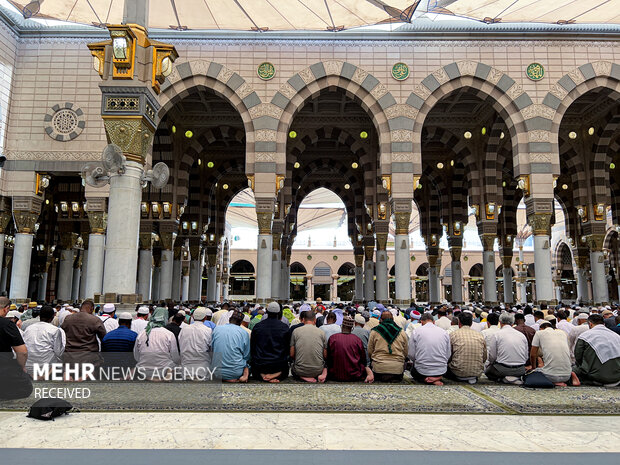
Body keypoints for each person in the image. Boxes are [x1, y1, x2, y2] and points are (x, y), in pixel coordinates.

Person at [134, 307, 181, 380]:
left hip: (143, 370)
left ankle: (149, 378)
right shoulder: (169, 334)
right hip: (162, 371)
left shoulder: (142, 333)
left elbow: (136, 356)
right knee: (176, 364)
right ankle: (166, 376)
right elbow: (175, 357)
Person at [573, 314, 620, 386]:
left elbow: (578, 358)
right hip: (617, 376)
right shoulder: (616, 335)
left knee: (573, 370)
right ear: (603, 324)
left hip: (598, 377)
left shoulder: (585, 336)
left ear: (590, 324)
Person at [0, 296, 32, 399]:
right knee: (26, 386)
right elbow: (22, 352)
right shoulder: (6, 324)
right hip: (3, 368)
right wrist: (21, 367)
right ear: (6, 308)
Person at [250, 302, 290, 382]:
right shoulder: (284, 327)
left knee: (255, 368)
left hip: (260, 365)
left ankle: (263, 375)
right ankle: (274, 375)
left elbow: (252, 347)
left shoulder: (258, 327)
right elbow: (287, 348)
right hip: (278, 365)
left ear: (267, 312)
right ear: (279, 313)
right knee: (285, 369)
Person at [530, 318, 577, 386]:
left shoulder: (539, 333)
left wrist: (533, 368)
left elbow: (533, 354)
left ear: (541, 328)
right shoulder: (563, 333)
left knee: (533, 374)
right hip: (567, 375)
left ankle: (555, 382)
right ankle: (572, 377)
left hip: (550, 376)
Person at [486, 312, 529, 384]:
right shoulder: (521, 335)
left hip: (502, 370)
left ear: (500, 322)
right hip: (520, 370)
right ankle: (514, 377)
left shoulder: (497, 335)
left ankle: (503, 378)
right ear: (512, 323)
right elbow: (525, 356)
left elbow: (492, 357)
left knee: (488, 371)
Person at [408, 312, 451, 385]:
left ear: (421, 322)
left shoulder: (416, 332)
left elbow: (411, 354)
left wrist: (419, 360)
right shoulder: (444, 332)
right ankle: (437, 378)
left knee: (413, 372)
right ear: (434, 322)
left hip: (422, 370)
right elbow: (448, 354)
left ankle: (427, 379)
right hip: (441, 370)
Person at [327, 316, 373, 382]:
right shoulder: (357, 340)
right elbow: (363, 359)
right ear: (352, 328)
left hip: (335, 375)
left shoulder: (333, 338)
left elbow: (328, 358)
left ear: (342, 326)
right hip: (354, 375)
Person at [23, 305, 66, 376]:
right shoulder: (55, 330)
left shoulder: (29, 328)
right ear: (52, 318)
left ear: (39, 316)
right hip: (46, 366)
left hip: (28, 365)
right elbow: (59, 352)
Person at [62, 299, 106, 368]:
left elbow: (63, 333)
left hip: (69, 356)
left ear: (80, 308)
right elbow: (104, 338)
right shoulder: (95, 320)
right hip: (89, 357)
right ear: (92, 309)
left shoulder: (68, 319)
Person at [367, 311, 409, 382]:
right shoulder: (401, 332)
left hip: (378, 368)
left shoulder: (374, 331)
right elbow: (405, 352)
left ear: (381, 320)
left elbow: (370, 351)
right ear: (393, 319)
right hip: (397, 370)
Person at [446, 311, 486, 383]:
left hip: (457, 372)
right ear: (471, 323)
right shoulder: (480, 335)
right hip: (477, 372)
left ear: (459, 323)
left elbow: (448, 356)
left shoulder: (453, 334)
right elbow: (484, 357)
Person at [212, 311, 250, 382]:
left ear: (229, 319)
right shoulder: (244, 333)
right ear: (241, 322)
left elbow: (213, 348)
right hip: (236, 373)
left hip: (216, 372)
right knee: (246, 365)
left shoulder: (217, 329)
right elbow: (246, 356)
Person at [290, 311, 327, 383]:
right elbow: (325, 355)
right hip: (318, 370)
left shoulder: (296, 331)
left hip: (300, 371)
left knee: (293, 369)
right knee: (326, 365)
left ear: (303, 319)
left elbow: (291, 354)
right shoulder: (321, 332)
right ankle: (323, 374)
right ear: (315, 320)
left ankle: (303, 377)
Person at [179, 307, 213, 376]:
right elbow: (211, 349)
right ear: (205, 318)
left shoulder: (184, 329)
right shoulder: (208, 330)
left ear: (193, 317)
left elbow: (180, 344)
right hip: (203, 368)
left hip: (185, 367)